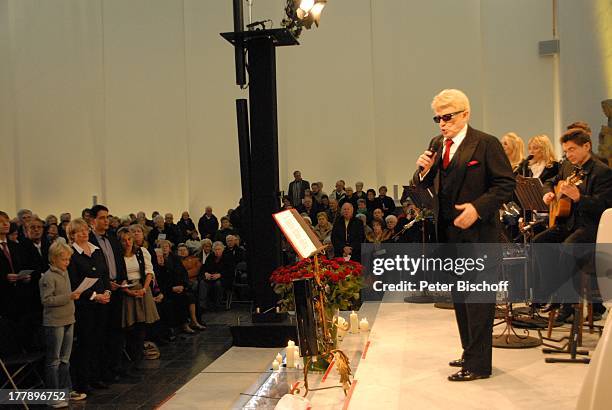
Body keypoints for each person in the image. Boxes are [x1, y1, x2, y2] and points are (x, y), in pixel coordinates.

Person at [413, 89, 515, 381]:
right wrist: (422, 172)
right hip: (449, 234)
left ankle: (480, 365)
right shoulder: (436, 144)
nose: (442, 124)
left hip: (479, 235)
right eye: (438, 118)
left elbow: (506, 184)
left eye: (448, 117)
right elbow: (421, 183)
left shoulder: (485, 144)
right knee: (460, 297)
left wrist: (478, 208)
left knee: (479, 299)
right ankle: (470, 352)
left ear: (465, 114)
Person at [534, 128, 612, 321]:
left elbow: (605, 207)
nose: (568, 154)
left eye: (572, 149)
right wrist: (548, 192)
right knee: (538, 242)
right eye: (566, 150)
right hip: (567, 224)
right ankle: (549, 293)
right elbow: (550, 180)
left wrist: (580, 198)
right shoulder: (568, 166)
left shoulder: (603, 172)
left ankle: (566, 303)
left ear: (587, 146)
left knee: (567, 249)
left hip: (590, 228)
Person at [66, 218, 111, 394]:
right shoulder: (71, 254)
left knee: (100, 341)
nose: (84, 233)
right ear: (72, 235)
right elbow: (73, 282)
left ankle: (97, 376)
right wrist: (94, 296)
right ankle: (83, 382)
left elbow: (104, 274)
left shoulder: (96, 250)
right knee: (86, 343)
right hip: (84, 305)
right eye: (79, 231)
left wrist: (107, 291)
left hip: (102, 302)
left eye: (85, 230)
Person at [39, 241, 87, 407]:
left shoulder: (65, 273)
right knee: (54, 360)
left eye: (68, 259)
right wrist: (69, 297)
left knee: (66, 359)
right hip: (55, 322)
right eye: (64, 260)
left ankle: (67, 390)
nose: (67, 263)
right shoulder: (48, 277)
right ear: (53, 259)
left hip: (68, 319)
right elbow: (46, 300)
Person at [117, 228, 160, 369]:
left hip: (142, 288)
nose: (127, 242)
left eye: (129, 239)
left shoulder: (141, 252)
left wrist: (144, 289)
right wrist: (127, 290)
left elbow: (149, 271)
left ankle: (138, 357)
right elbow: (118, 274)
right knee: (129, 325)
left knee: (142, 324)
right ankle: (130, 357)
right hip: (126, 290)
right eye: (124, 240)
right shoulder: (118, 255)